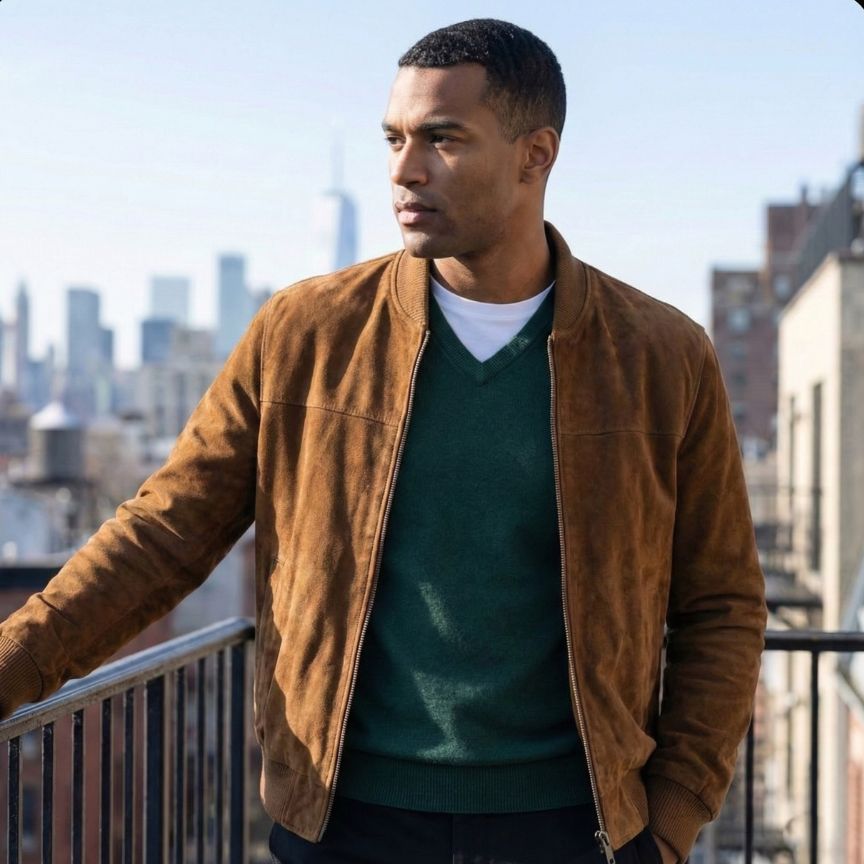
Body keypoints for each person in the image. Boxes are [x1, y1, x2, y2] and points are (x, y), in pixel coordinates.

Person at [0, 18, 766, 864]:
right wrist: (12, 666)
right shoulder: (306, 334)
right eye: (395, 138)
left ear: (535, 154)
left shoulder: (660, 355)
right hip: (344, 823)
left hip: (575, 828)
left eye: (443, 138)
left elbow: (721, 606)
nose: (405, 169)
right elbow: (165, 533)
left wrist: (671, 820)